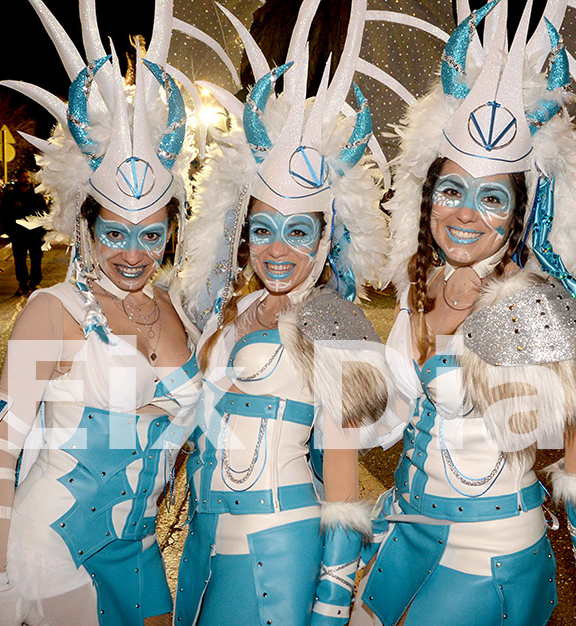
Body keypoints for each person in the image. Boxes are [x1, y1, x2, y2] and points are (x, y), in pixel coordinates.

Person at [353, 2, 576, 624]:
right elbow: (397, 413)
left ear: (519, 215)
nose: (465, 213)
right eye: (451, 191)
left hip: (486, 548)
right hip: (407, 528)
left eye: (491, 197)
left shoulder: (532, 304)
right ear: (427, 199)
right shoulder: (424, 285)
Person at [0, 1, 205, 624]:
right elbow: (1, 449)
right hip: (51, 555)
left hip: (139, 550)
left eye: (151, 235)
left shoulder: (175, 309)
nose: (133, 254)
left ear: (171, 233)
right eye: (115, 233)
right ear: (86, 228)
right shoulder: (53, 312)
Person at [174, 2, 392, 624]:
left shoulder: (335, 324)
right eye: (263, 228)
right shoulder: (232, 309)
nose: (278, 250)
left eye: (299, 232)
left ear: (325, 240)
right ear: (242, 233)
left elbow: (344, 488)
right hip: (206, 545)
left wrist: (331, 602)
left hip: (280, 550)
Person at [1, 168, 47, 296]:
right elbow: (4, 214)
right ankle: (23, 283)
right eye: (23, 177)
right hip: (18, 234)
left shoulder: (37, 196)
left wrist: (43, 230)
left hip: (35, 234)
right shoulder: (11, 197)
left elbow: (44, 213)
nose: (26, 180)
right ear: (18, 179)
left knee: (36, 259)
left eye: (27, 177)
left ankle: (35, 282)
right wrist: (9, 231)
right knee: (20, 260)